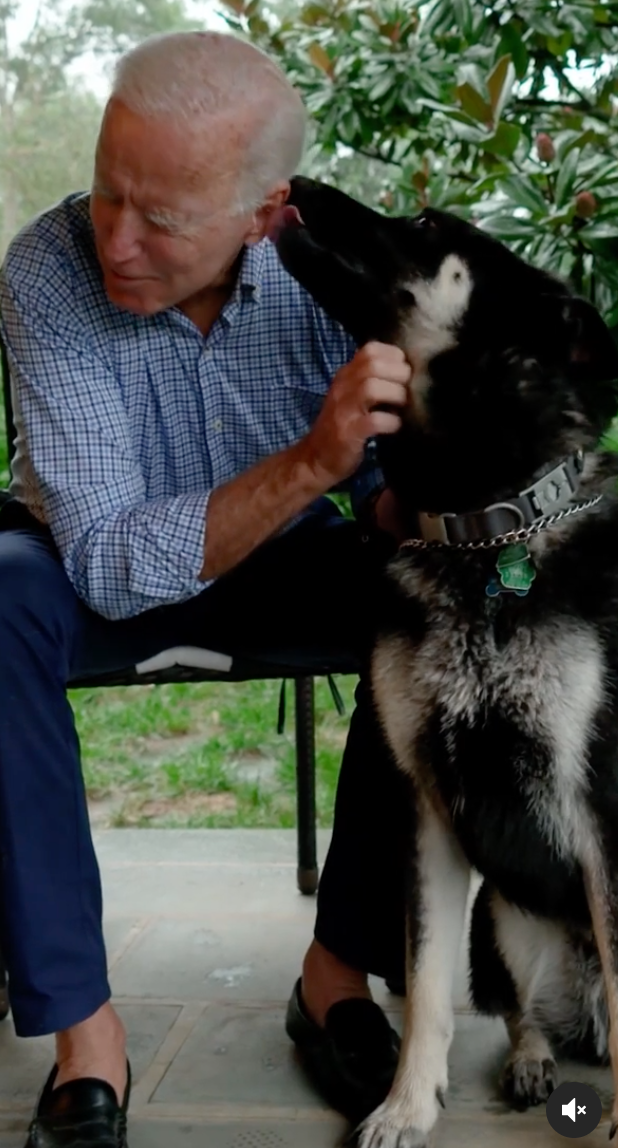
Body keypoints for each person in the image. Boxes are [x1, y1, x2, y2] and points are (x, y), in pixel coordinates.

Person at [0, 30, 412, 1148]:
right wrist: (313, 466)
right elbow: (110, 562)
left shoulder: (335, 267)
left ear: (264, 212)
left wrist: (401, 492)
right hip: (84, 565)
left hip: (284, 556)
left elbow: (384, 484)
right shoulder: (47, 269)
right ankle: (86, 1032)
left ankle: (337, 971)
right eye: (106, 194)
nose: (117, 242)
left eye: (163, 219)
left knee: (424, 592)